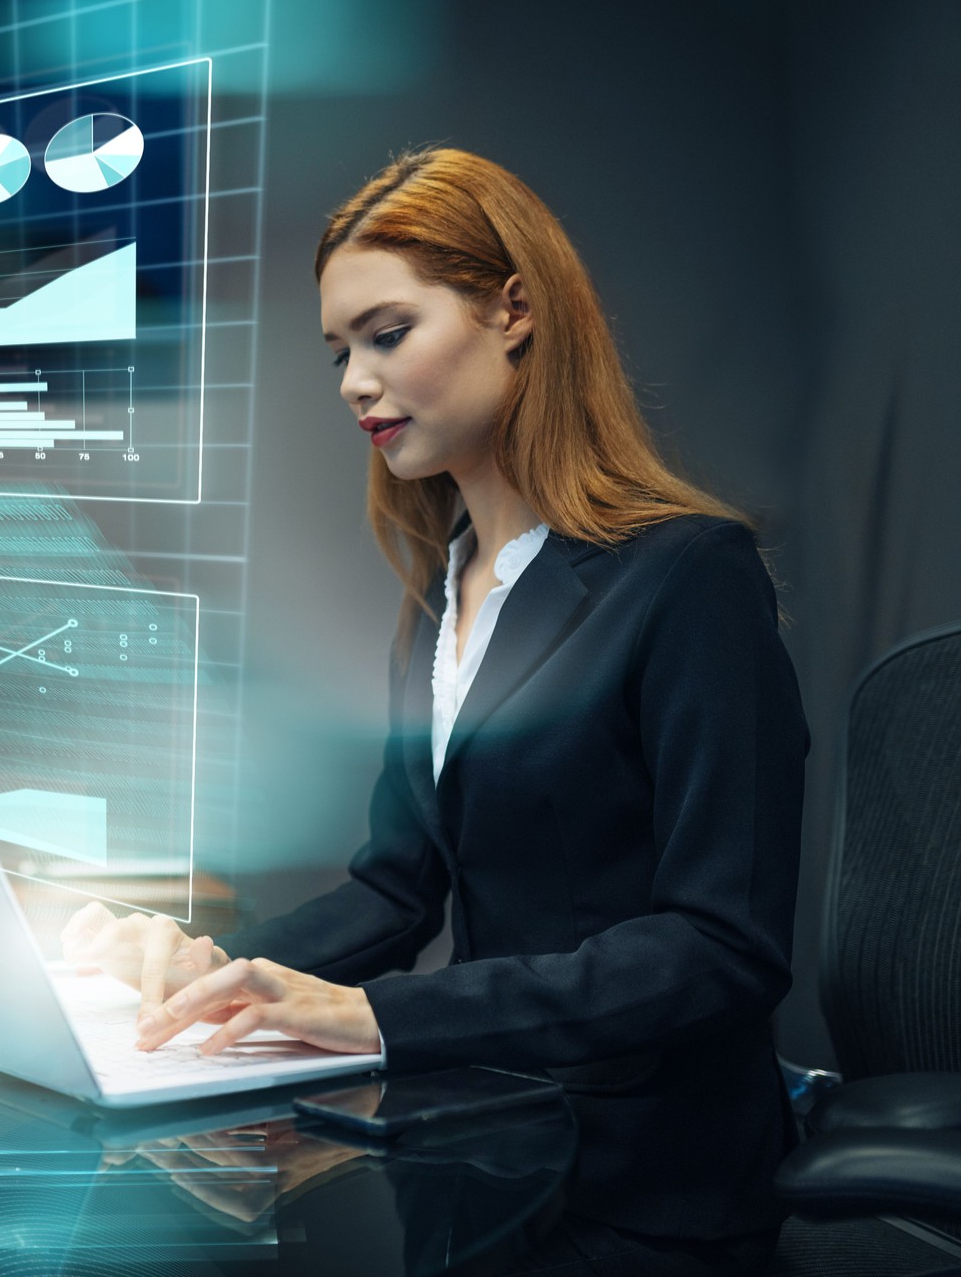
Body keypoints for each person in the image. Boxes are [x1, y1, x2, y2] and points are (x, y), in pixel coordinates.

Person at [63, 146, 807, 1275]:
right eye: (339, 352)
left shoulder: (690, 574)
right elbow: (395, 886)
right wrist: (214, 971)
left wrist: (381, 1020)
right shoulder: (443, 590)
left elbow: (719, 948)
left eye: (387, 332)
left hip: (654, 1193)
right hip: (477, 1161)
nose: (355, 381)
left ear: (513, 308)